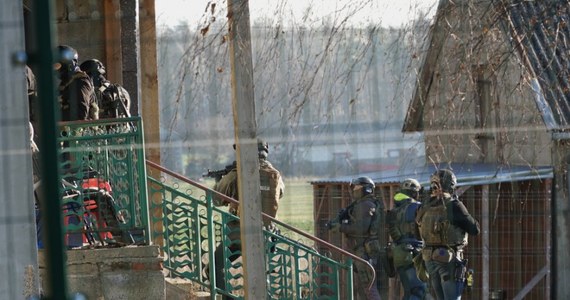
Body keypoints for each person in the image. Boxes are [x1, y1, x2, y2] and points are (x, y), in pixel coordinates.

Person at [208, 139, 285, 299]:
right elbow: (279, 195)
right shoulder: (275, 174)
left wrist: (219, 181)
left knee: (214, 267)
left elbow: (216, 199)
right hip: (267, 235)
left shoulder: (238, 173)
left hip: (239, 235)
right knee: (261, 276)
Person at [416, 169, 480, 300]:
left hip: (429, 259)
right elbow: (475, 229)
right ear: (450, 185)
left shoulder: (425, 206)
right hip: (448, 260)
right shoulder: (453, 205)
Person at [327, 176, 384, 300]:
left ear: (365, 189)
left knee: (369, 288)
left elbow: (361, 228)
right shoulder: (360, 204)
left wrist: (340, 227)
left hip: (364, 251)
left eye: (356, 187)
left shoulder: (366, 205)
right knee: (363, 288)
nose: (353, 190)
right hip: (360, 250)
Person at [386, 178, 427, 300]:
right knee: (417, 291)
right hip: (413, 254)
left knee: (410, 291)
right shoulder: (417, 207)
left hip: (398, 253)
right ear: (414, 192)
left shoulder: (394, 210)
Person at [55, 45, 97, 121]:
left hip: (79, 131)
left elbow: (80, 114)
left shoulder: (80, 81)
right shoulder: (66, 83)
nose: (55, 69)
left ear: (69, 64)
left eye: (57, 66)